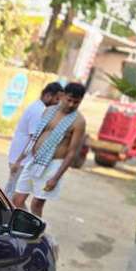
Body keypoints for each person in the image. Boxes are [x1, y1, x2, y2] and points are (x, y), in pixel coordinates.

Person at [12, 82, 87, 217]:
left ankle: (36, 234)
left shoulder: (78, 121)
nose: (71, 105)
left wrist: (56, 178)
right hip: (35, 160)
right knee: (17, 199)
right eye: (69, 100)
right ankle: (30, 226)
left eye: (76, 102)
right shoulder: (48, 111)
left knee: (36, 204)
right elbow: (35, 137)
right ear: (62, 96)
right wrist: (19, 160)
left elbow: (71, 153)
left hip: (53, 165)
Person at [4, 82, 63, 197]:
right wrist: (19, 161)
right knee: (13, 195)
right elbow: (33, 139)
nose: (58, 103)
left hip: (19, 158)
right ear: (48, 96)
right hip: (22, 160)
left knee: (12, 193)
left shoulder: (37, 107)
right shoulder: (39, 111)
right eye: (57, 99)